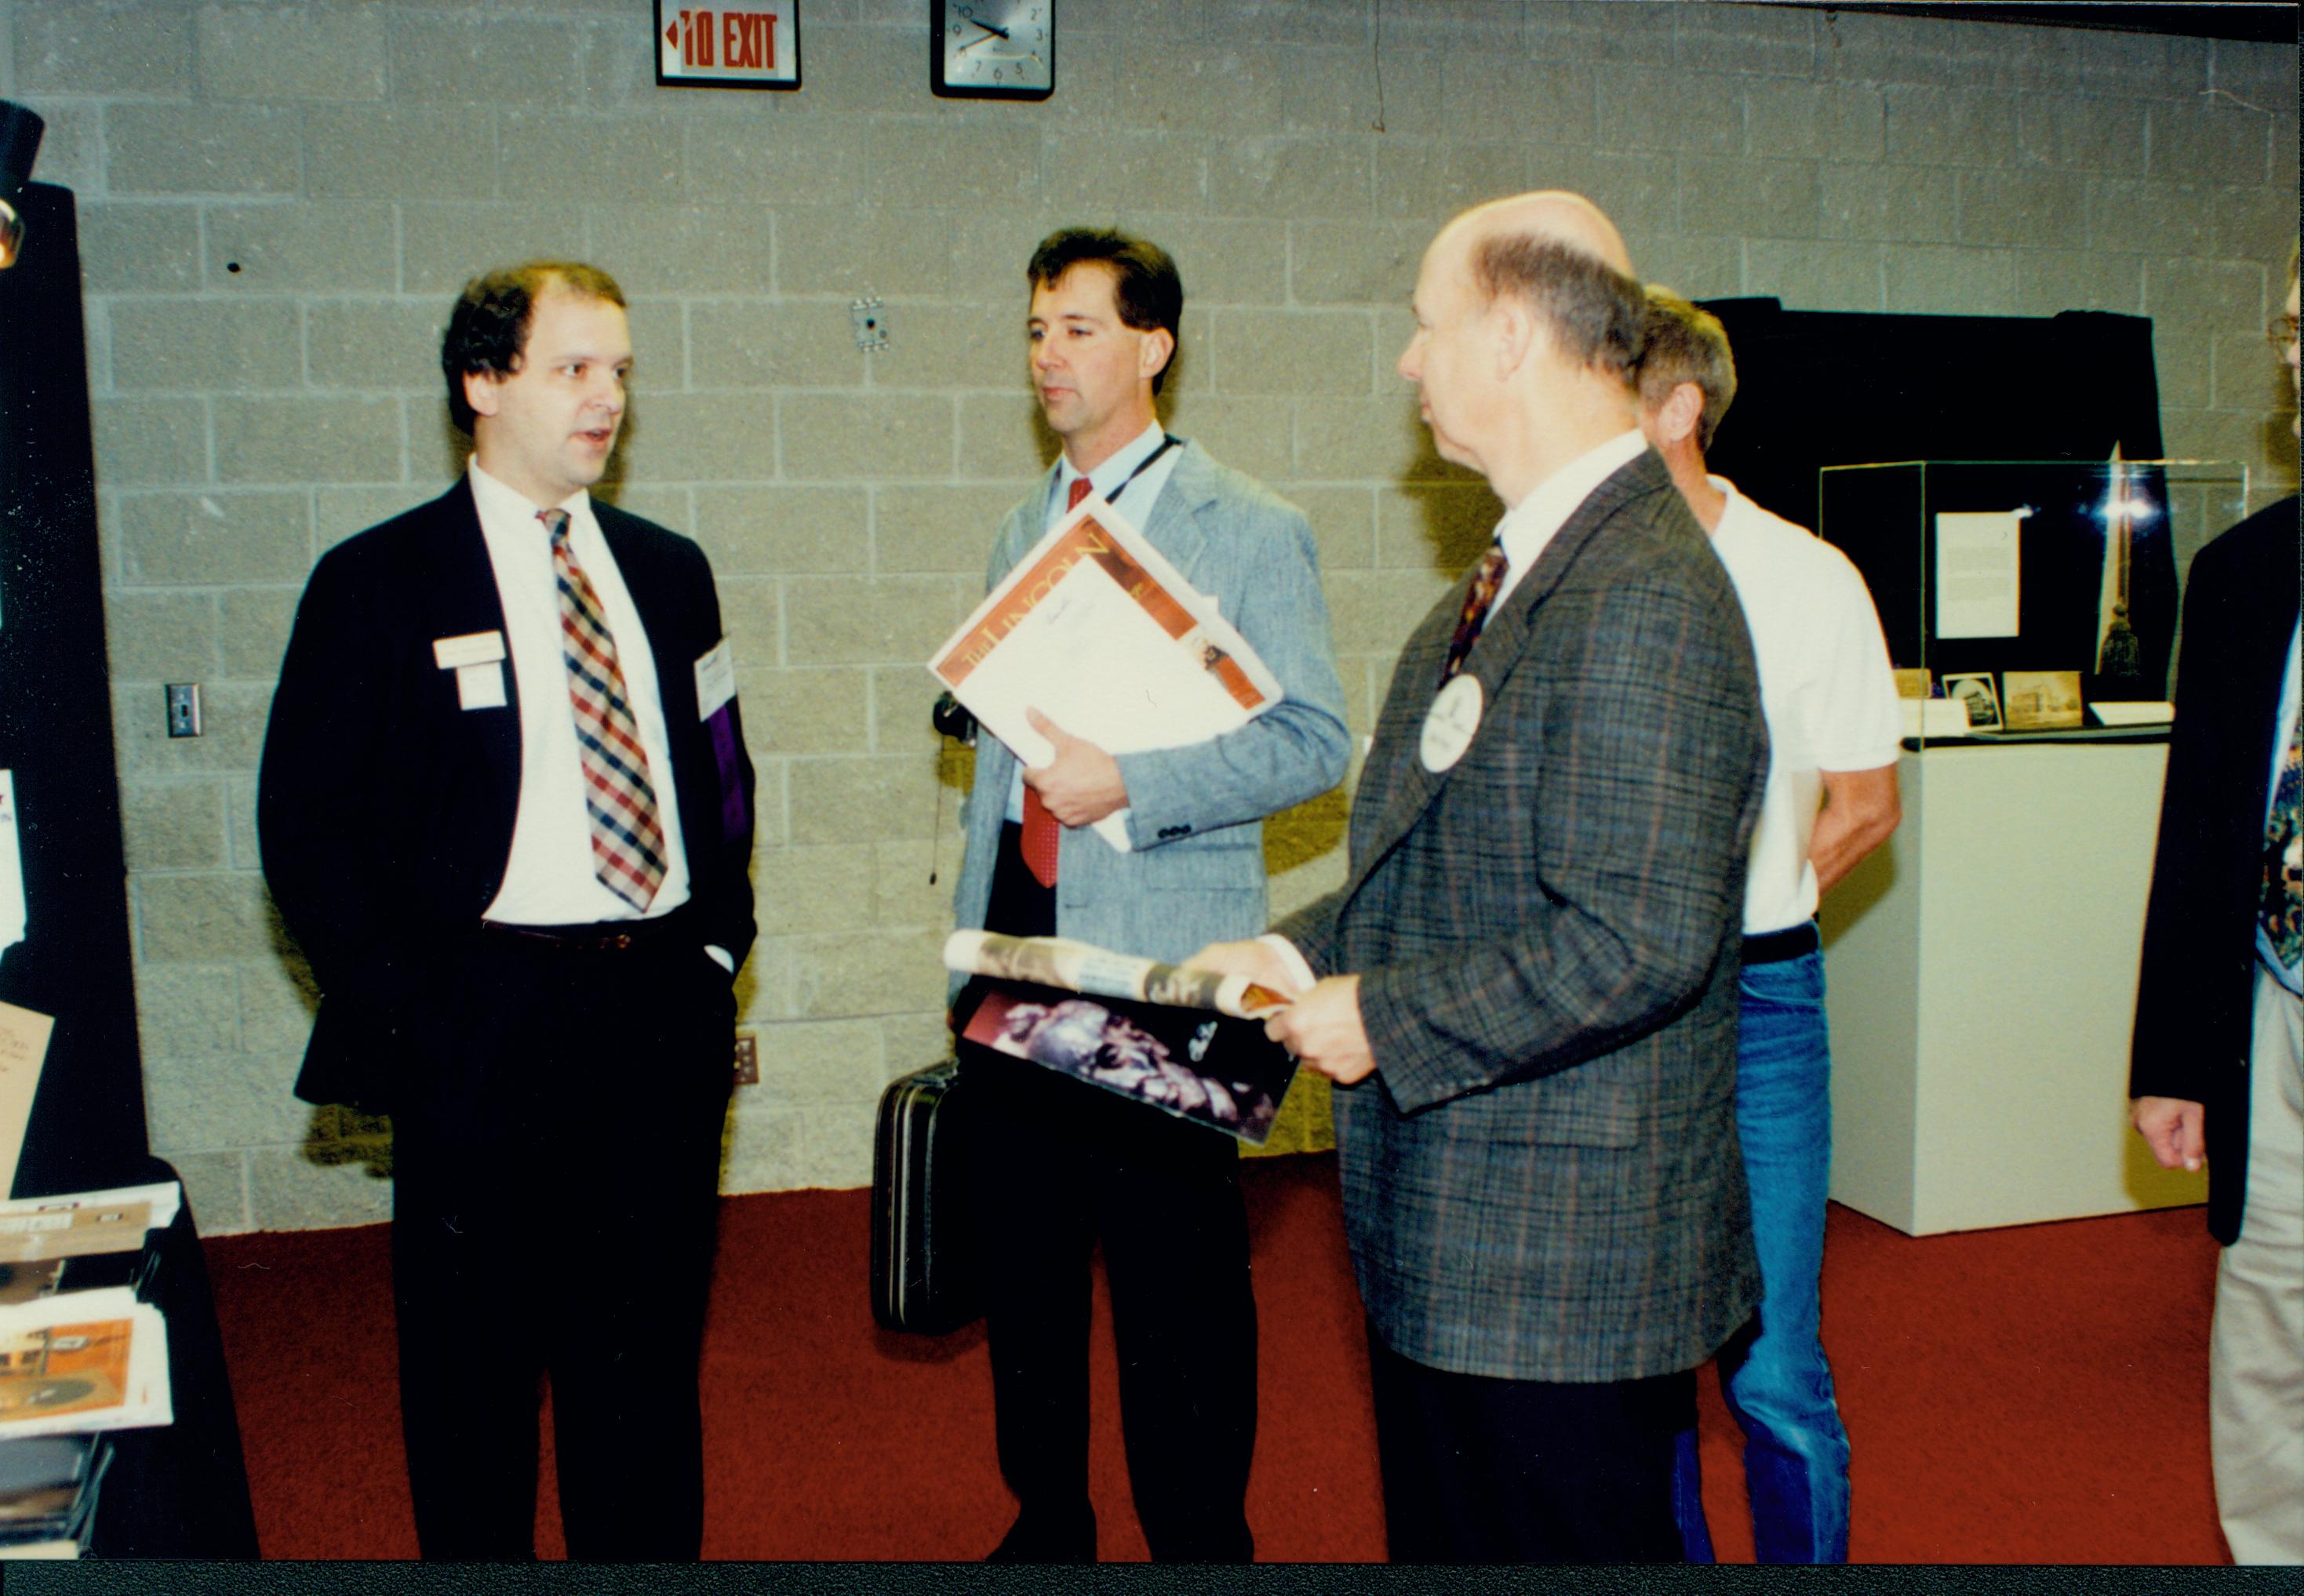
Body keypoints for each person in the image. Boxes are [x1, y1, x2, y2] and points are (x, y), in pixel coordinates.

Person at [1195, 191, 1767, 1564]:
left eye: (1426, 325)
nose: (1407, 361)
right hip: (1464, 1238)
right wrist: (1294, 950)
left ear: (1508, 336)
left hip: (1555, 1265)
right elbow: (1441, 861)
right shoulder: (1519, 570)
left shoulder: (1639, 592)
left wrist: (1377, 1017)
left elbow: (1636, 938)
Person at [257, 261, 755, 1561]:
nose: (607, 402)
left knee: (642, 1372)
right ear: (482, 384)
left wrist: (714, 946)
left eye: (621, 374)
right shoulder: (379, 582)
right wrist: (408, 1010)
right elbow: (304, 828)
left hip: (654, 1005)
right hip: (477, 1020)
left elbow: (720, 778)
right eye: (573, 370)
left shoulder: (667, 571)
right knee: (474, 1382)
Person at [947, 227, 1349, 1563]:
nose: (1046, 355)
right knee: (1031, 1277)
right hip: (1015, 947)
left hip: (1162, 966)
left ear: (1151, 346)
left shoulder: (1249, 526)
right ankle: (1046, 1520)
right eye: (1034, 331)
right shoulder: (1023, 525)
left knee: (1178, 1289)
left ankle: (1195, 1539)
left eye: (1075, 328)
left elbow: (1310, 741)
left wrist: (1133, 779)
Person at [1635, 288, 1903, 1565]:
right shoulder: (1546, 575)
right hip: (1611, 1009)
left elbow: (1864, 804)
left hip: (1758, 1003)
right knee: (1638, 1363)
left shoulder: (1805, 576)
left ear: (1679, 409)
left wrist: (1749, 896)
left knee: (1772, 1365)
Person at [2129, 245, 2302, 1565]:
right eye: (2290, 333)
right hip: (2275, 1005)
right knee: (2268, 1307)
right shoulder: (2244, 574)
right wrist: (2172, 1058)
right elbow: (2197, 842)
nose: (2292, 362)